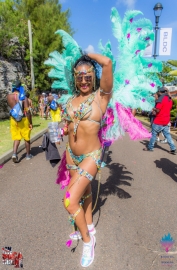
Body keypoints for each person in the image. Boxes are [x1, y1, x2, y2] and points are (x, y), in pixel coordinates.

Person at [61, 54, 112, 267]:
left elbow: (107, 63)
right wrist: (62, 130)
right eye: (79, 77)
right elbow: (68, 126)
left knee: (69, 201)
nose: (83, 81)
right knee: (85, 195)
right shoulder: (70, 101)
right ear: (74, 79)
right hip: (72, 156)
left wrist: (86, 55)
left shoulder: (101, 97)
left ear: (94, 77)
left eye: (87, 76)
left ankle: (88, 241)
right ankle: (89, 225)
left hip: (91, 156)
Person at [143, 86, 176, 154]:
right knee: (167, 135)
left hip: (159, 120)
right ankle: (173, 148)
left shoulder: (161, 99)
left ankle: (150, 147)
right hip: (166, 120)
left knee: (153, 134)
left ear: (159, 92)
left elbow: (157, 110)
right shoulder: (169, 98)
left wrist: (153, 109)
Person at [7, 80, 33, 162]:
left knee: (16, 138)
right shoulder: (23, 96)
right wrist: (30, 123)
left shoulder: (8, 96)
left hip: (13, 119)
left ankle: (14, 154)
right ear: (20, 87)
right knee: (26, 138)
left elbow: (12, 107)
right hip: (23, 119)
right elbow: (27, 111)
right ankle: (28, 155)